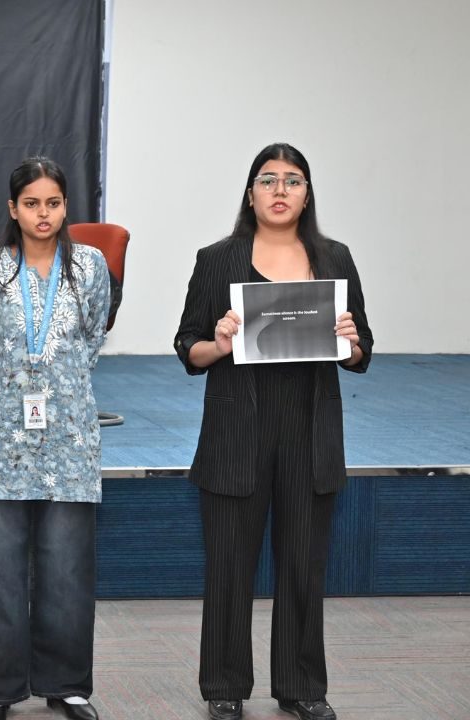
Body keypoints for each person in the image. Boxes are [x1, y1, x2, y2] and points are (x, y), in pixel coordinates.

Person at [173, 143, 372, 720]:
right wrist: (220, 342)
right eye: (268, 180)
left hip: (309, 430)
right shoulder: (217, 260)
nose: (280, 190)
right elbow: (188, 347)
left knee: (305, 566)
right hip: (238, 429)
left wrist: (350, 338)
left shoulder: (334, 257)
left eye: (292, 180)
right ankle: (225, 688)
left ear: (307, 193)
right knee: (229, 565)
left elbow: (362, 353)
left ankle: (302, 687)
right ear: (250, 192)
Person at [0, 157, 110, 720]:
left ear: (66, 206)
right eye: (31, 203)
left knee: (67, 565)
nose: (42, 214)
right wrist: (9, 393)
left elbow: (92, 336)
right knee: (0, 568)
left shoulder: (91, 266)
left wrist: (55, 380)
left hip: (71, 437)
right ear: (12, 208)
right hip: (4, 438)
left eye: (52, 203)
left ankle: (67, 684)